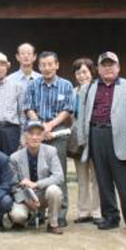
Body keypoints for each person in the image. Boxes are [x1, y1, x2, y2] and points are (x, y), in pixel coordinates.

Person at [77, 52, 126, 232]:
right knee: (103, 180)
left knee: (125, 180)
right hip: (96, 134)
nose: (108, 68)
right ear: (98, 69)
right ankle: (110, 216)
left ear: (118, 67)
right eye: (104, 65)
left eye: (111, 65)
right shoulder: (88, 88)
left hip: (121, 137)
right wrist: (83, 140)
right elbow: (82, 115)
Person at [24, 51, 75, 226]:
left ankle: (60, 213)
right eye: (43, 65)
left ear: (57, 65)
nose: (47, 68)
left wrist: (50, 125)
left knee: (58, 172)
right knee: (34, 171)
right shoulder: (32, 85)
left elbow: (67, 109)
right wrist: (40, 127)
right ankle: (36, 212)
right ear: (39, 67)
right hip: (35, 131)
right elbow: (28, 107)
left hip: (57, 132)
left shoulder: (66, 85)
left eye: (50, 64)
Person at [9, 121, 64, 234]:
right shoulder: (14, 158)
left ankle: (53, 224)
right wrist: (27, 201)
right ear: (25, 136)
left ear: (43, 136)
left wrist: (36, 184)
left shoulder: (51, 151)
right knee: (17, 216)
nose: (35, 137)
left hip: (44, 194)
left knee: (54, 190)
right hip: (26, 196)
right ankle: (26, 218)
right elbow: (13, 186)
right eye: (31, 134)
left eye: (38, 134)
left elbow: (59, 177)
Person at [70, 58, 101, 224]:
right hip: (78, 138)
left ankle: (97, 211)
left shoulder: (98, 89)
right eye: (78, 73)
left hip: (95, 136)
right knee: (82, 178)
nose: (82, 76)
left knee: (97, 177)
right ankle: (83, 211)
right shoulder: (72, 92)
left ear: (92, 72)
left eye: (84, 72)